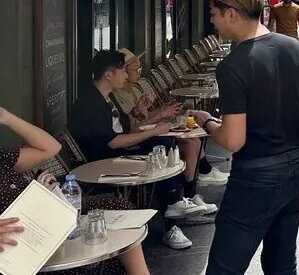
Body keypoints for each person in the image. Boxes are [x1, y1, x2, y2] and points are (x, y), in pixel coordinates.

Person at [193, 0, 299, 275]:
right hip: (296, 167)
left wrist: (209, 122)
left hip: (255, 176)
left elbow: (233, 140)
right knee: (281, 261)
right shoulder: (292, 47)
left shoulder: (233, 65)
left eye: (214, 14)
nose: (213, 22)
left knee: (225, 266)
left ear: (232, 14)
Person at [68, 50, 213, 250]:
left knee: (162, 145)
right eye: (122, 71)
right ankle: (172, 215)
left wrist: (142, 113)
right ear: (108, 74)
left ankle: (175, 204)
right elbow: (114, 143)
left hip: (119, 152)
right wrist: (154, 132)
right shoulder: (89, 104)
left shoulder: (108, 98)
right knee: (159, 146)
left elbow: (130, 129)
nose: (126, 75)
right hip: (105, 163)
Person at [0, 107, 151, 274]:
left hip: (43, 222)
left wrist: (6, 117)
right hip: (19, 250)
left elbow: (51, 147)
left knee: (117, 207)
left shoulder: (2, 158)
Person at [115, 48, 228, 186]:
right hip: (138, 140)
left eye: (140, 67)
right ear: (123, 71)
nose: (140, 71)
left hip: (147, 132)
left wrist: (160, 110)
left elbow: (140, 117)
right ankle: (189, 190)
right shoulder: (118, 96)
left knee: (193, 139)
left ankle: (202, 176)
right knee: (190, 143)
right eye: (136, 69)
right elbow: (133, 126)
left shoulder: (133, 89)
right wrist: (160, 115)